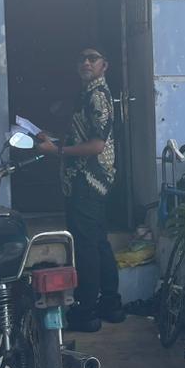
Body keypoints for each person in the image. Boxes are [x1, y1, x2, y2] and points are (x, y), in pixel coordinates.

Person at [36, 48, 123, 332]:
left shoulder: (97, 96)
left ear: (104, 65)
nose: (86, 62)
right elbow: (83, 137)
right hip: (90, 181)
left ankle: (86, 313)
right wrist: (54, 140)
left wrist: (56, 151)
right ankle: (111, 305)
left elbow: (97, 145)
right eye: (82, 59)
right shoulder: (89, 93)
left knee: (85, 246)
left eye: (93, 58)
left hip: (87, 180)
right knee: (98, 242)